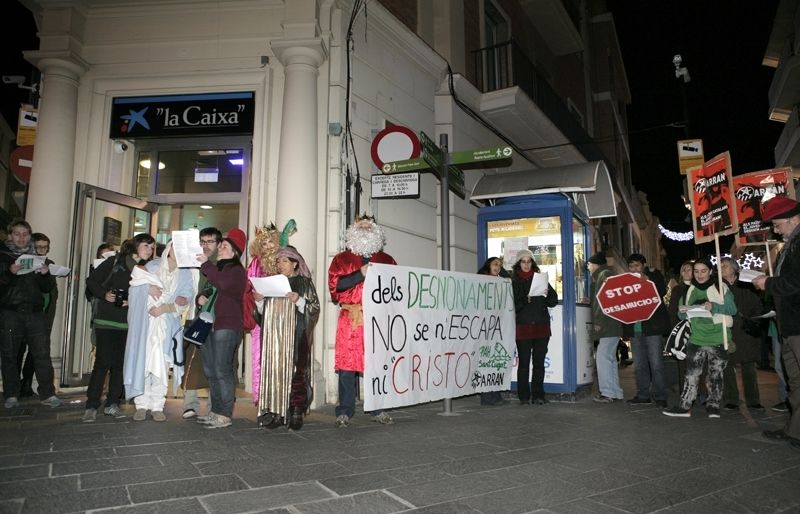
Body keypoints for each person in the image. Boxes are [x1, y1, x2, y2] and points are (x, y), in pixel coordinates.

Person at [328, 215, 396, 427]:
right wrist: (360, 273)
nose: (365, 230)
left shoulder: (387, 260)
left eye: (369, 227)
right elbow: (335, 288)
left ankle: (378, 408)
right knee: (347, 367)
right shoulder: (341, 259)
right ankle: (345, 410)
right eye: (361, 227)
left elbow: (396, 289)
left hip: (377, 320)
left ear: (376, 233)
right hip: (350, 318)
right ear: (353, 233)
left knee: (376, 365)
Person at [83, 233, 155, 421]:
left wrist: (132, 301)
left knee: (120, 364)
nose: (150, 250)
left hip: (128, 322)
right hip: (107, 320)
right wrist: (104, 294)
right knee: (103, 362)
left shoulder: (145, 269)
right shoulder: (117, 261)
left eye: (152, 247)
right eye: (146, 245)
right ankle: (91, 404)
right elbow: (91, 281)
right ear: (136, 246)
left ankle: (112, 403)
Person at [124, 241, 194, 422]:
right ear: (169, 249)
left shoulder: (185, 274)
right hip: (146, 323)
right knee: (143, 363)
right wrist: (147, 288)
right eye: (174, 248)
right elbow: (135, 287)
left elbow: (186, 298)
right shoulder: (152, 266)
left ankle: (157, 405)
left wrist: (167, 307)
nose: (176, 252)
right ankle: (141, 405)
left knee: (161, 366)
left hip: (166, 325)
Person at [753, 196, 800, 449]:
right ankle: (795, 430)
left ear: (793, 218)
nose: (775, 228)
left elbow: (795, 282)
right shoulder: (791, 243)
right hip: (790, 325)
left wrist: (767, 283)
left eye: (777, 223)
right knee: (795, 381)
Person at [255, 245, 320, 430]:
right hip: (274, 337)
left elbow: (314, 309)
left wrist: (299, 301)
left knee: (296, 372)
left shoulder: (305, 283)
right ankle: (277, 413)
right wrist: (259, 302)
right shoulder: (271, 283)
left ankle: (296, 411)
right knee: (275, 371)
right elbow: (261, 315)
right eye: (278, 261)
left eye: (284, 261)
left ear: (294, 263)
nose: (280, 264)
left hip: (296, 333)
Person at [662, 258, 736, 418]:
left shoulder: (720, 287)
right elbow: (681, 314)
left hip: (718, 338)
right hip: (696, 338)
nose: (699, 274)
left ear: (710, 271)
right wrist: (683, 311)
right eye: (696, 271)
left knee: (716, 374)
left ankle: (714, 406)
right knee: (691, 374)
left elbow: (732, 309)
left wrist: (714, 306)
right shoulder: (689, 290)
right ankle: (685, 406)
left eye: (703, 271)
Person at [0, 219, 62, 409]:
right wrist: (10, 273)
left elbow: (47, 287)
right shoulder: (3, 256)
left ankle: (48, 394)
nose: (21, 238)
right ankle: (11, 394)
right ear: (10, 235)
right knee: (9, 354)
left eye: (25, 234)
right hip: (11, 312)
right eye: (17, 234)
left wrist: (45, 274)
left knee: (42, 354)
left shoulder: (36, 256)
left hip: (35, 313)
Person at [195, 228, 248, 429]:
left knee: (222, 370)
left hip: (227, 325)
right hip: (209, 325)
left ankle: (224, 414)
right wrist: (199, 298)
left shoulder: (236, 271)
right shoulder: (217, 270)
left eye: (224, 246)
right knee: (210, 370)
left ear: (234, 252)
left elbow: (224, 285)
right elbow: (209, 291)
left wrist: (206, 265)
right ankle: (215, 411)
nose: (219, 248)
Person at [181, 226, 221, 419]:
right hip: (194, 316)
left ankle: (215, 407)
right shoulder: (191, 261)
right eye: (202, 242)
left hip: (215, 320)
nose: (205, 246)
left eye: (210, 242)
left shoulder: (220, 264)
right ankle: (190, 404)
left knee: (216, 364)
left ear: (218, 244)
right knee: (192, 361)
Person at [512, 250, 558, 405]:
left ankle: (538, 395)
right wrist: (526, 299)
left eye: (529, 261)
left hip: (541, 327)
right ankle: (524, 397)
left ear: (532, 263)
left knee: (539, 363)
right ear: (519, 264)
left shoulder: (540, 278)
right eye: (523, 261)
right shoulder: (514, 281)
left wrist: (547, 294)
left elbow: (553, 301)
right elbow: (513, 307)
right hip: (523, 327)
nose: (526, 264)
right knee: (524, 364)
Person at [719, 257, 765, 411]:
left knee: (748, 366)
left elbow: (757, 304)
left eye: (725, 265)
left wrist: (752, 319)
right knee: (727, 365)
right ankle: (731, 399)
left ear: (734, 269)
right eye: (720, 266)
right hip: (727, 331)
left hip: (745, 330)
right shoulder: (718, 286)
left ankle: (753, 400)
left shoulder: (746, 284)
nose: (722, 268)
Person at [624, 253, 669, 407]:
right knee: (640, 364)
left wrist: (648, 280)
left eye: (637, 265)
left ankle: (660, 396)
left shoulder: (654, 275)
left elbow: (661, 291)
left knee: (656, 363)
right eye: (631, 266)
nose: (634, 268)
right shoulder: (625, 281)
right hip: (635, 329)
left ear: (643, 265)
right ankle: (643, 394)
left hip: (652, 328)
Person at [17, 233, 58, 397]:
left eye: (45, 247)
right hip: (23, 313)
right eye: (39, 247)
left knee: (37, 352)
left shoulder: (49, 264)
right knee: (18, 350)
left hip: (43, 313)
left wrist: (46, 273)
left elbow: (49, 288)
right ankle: (14, 385)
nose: (42, 250)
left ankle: (27, 383)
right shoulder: (23, 261)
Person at [587, 252, 624, 403]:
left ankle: (608, 392)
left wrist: (598, 322)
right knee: (609, 358)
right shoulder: (606, 274)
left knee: (602, 357)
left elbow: (603, 301)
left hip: (608, 324)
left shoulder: (603, 275)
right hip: (613, 323)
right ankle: (615, 392)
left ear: (595, 264)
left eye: (589, 264)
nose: (588, 267)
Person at [478, 256, 511, 406]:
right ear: (488, 266)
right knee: (486, 362)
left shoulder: (501, 281)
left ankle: (495, 394)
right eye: (495, 264)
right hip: (484, 328)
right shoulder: (480, 280)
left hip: (496, 327)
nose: (498, 267)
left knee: (495, 361)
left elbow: (510, 279)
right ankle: (487, 396)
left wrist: (501, 270)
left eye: (500, 265)